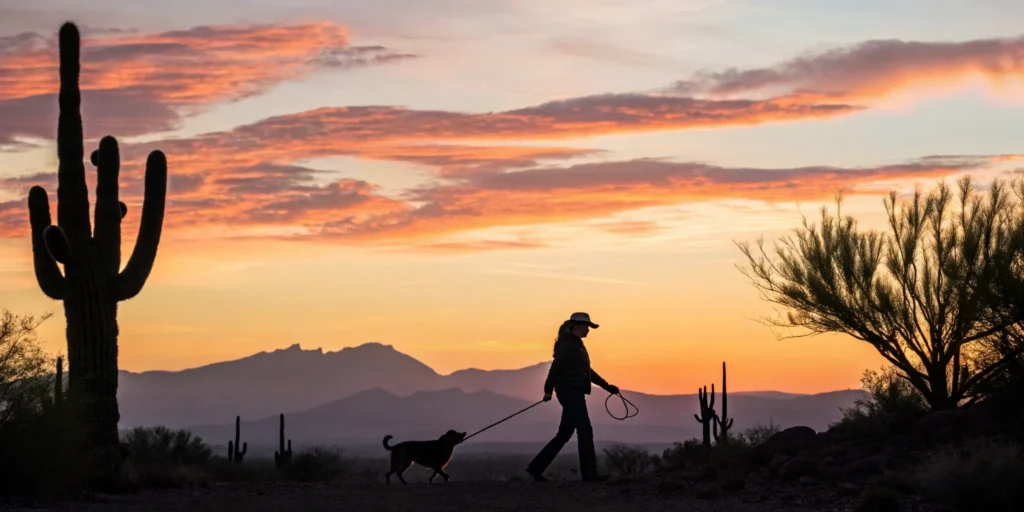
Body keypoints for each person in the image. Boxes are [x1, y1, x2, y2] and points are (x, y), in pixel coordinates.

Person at [526, 312, 620, 482]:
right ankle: (589, 474)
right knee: (585, 430)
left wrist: (607, 386)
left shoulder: (576, 344)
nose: (589, 330)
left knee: (564, 434)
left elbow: (586, 371)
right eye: (587, 326)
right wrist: (548, 390)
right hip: (570, 392)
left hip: (573, 392)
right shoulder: (568, 344)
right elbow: (556, 367)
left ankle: (535, 468)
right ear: (576, 325)